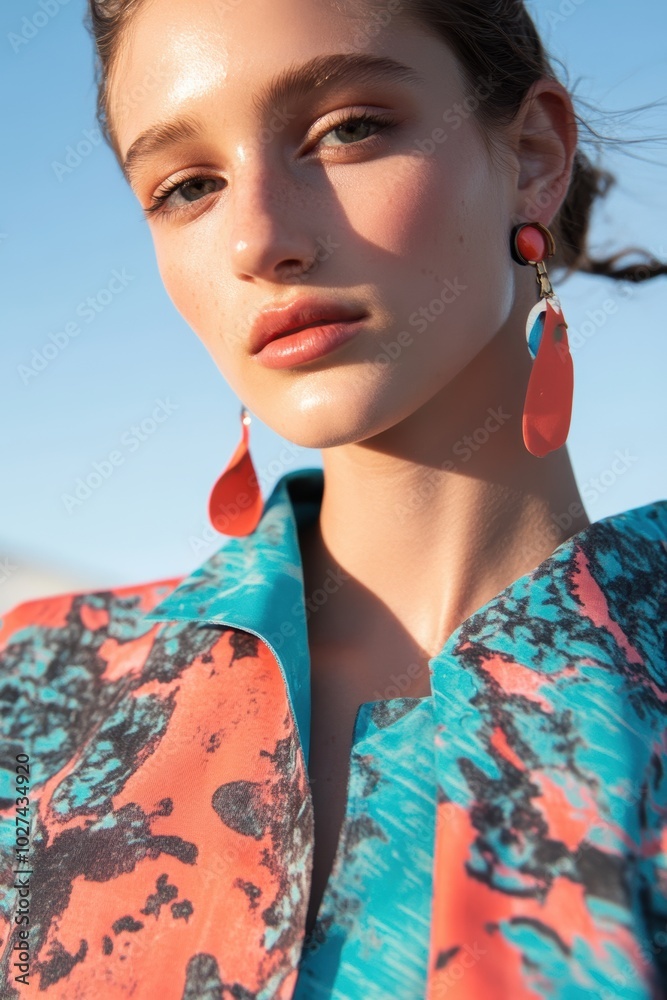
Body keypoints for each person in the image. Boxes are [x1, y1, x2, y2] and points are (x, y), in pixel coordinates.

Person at [1, 0, 666, 997]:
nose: (259, 239)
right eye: (189, 187)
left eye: (346, 128)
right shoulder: (40, 701)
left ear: (530, 153)